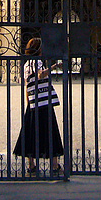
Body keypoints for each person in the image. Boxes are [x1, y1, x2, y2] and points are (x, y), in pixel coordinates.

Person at [13, 37, 64, 175]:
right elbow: (41, 74)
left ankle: (31, 165)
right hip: (44, 102)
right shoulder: (38, 62)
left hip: (33, 102)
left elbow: (26, 85)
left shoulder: (26, 64)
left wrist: (28, 102)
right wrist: (54, 67)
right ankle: (54, 165)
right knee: (50, 131)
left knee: (30, 133)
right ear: (39, 49)